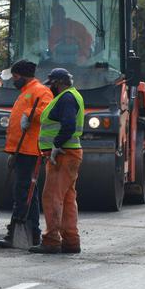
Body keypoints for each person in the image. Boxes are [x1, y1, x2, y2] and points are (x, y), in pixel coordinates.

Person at [0, 60, 53, 248]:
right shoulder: (25, 92)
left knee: (25, 192)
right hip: (20, 150)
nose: (13, 80)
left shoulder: (40, 91)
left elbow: (47, 111)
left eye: (16, 76)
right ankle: (26, 232)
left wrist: (30, 113)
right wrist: (12, 152)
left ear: (24, 76)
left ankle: (25, 232)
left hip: (30, 150)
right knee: (24, 192)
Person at [30, 68, 85, 254]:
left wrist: (56, 145)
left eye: (52, 83)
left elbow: (68, 124)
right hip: (69, 153)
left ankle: (51, 240)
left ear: (58, 83)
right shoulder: (72, 96)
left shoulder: (67, 98)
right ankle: (71, 242)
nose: (50, 87)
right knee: (68, 199)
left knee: (52, 196)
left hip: (62, 154)